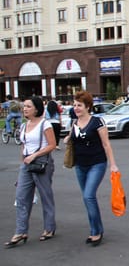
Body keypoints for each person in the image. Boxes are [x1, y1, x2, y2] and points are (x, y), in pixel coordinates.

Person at [64, 91, 118, 247]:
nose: (76, 108)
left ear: (87, 106)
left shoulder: (97, 122)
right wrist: (68, 138)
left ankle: (96, 232)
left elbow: (106, 144)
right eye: (74, 105)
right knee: (87, 198)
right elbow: (71, 137)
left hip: (97, 163)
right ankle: (95, 229)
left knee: (89, 196)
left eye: (79, 105)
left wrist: (112, 164)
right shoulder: (74, 123)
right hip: (80, 165)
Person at [5, 96, 57, 248]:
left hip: (42, 163)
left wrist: (34, 155)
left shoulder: (45, 124)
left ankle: (49, 228)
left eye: (28, 106)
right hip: (27, 164)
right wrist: (24, 160)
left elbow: (52, 145)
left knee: (45, 196)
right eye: (24, 106)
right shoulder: (23, 125)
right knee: (21, 197)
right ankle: (21, 231)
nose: (24, 109)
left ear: (36, 108)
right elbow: (24, 145)